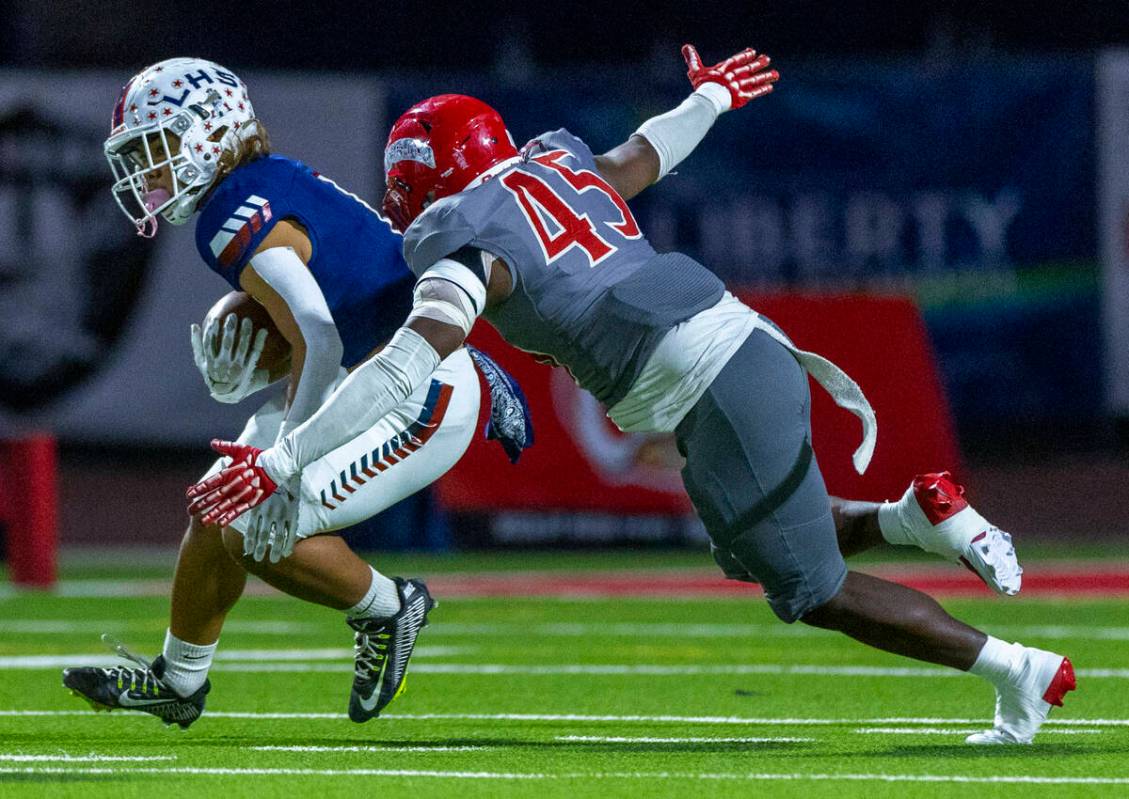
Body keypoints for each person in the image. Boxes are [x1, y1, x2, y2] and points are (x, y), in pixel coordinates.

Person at [192, 44, 1070, 745]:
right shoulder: (555, 167)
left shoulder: (471, 246)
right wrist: (711, 101)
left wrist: (282, 457)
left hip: (711, 387)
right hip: (742, 349)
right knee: (753, 546)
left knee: (815, 590)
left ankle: (1014, 670)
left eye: (406, 182)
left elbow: (393, 374)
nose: (399, 201)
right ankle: (921, 516)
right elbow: (644, 153)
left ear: (429, 176)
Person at [61, 57, 532, 729]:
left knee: (254, 523)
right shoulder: (262, 183)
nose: (150, 172)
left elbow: (321, 337)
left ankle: (390, 608)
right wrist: (264, 374)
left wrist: (285, 458)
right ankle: (179, 678)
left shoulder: (232, 209)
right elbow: (339, 310)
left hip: (412, 392)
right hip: (372, 374)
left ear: (210, 133)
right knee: (217, 501)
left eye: (158, 147)